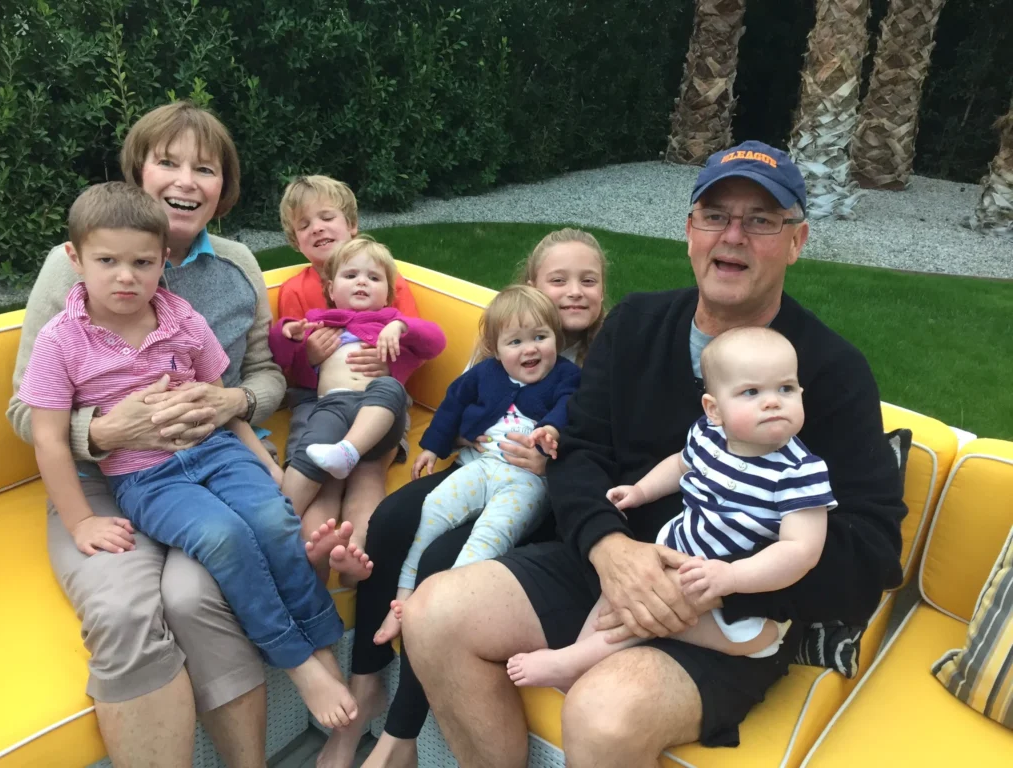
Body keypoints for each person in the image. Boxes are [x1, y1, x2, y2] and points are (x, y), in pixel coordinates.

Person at [400, 140, 906, 767]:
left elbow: (873, 550)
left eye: (762, 220)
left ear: (797, 241)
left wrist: (719, 587)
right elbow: (578, 452)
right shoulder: (637, 324)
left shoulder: (828, 372)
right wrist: (611, 550)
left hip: (728, 617)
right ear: (690, 231)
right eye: (716, 216)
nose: (734, 236)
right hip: (607, 566)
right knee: (433, 614)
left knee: (604, 714)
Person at [7, 101, 288, 768]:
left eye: (206, 168)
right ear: (139, 172)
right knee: (127, 611)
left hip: (208, 465)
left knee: (196, 596)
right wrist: (103, 431)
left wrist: (233, 401)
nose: (186, 180)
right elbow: (26, 411)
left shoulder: (240, 266)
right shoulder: (74, 264)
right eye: (167, 162)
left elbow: (266, 376)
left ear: (225, 188)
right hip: (102, 482)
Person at [21, 181, 357, 728]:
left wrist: (266, 463)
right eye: (107, 260)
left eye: (142, 262)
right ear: (75, 259)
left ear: (163, 263)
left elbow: (221, 402)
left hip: (218, 451)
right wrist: (81, 520)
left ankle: (321, 641)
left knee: (275, 518)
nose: (126, 276)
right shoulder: (61, 341)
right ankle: (297, 659)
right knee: (224, 536)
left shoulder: (181, 320)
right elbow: (49, 438)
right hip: (147, 479)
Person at [316, 227, 608, 768]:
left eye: (587, 281)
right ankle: (365, 683)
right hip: (480, 468)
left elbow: (599, 446)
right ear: (531, 286)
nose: (573, 292)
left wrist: (552, 454)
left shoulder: (601, 358)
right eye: (558, 280)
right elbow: (465, 402)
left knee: (440, 561)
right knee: (392, 518)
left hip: (545, 497)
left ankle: (399, 736)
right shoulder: (505, 331)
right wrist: (458, 434)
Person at [507, 326, 833, 690]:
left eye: (785, 389)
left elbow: (801, 550)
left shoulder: (800, 472)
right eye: (751, 392)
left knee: (639, 611)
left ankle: (570, 663)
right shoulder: (710, 437)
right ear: (714, 409)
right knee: (625, 592)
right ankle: (578, 665)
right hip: (680, 564)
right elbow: (681, 464)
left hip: (735, 613)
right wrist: (641, 491)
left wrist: (732, 578)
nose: (772, 401)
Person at [377, 285, 581, 643]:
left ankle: (444, 610)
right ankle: (405, 595)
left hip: (526, 482)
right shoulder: (485, 374)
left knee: (488, 537)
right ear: (497, 350)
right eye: (515, 342)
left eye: (540, 336)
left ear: (556, 337)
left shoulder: (565, 376)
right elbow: (453, 404)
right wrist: (432, 448)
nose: (530, 348)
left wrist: (551, 429)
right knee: (434, 507)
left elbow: (568, 405)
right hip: (482, 466)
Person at [271, 236, 445, 581]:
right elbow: (288, 366)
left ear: (388, 293)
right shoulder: (318, 323)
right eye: (351, 275)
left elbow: (435, 341)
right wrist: (289, 335)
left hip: (376, 420)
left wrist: (400, 325)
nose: (362, 281)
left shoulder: (391, 325)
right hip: (329, 410)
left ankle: (358, 553)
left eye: (374, 277)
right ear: (331, 289)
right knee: (325, 484)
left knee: (370, 467)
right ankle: (319, 550)